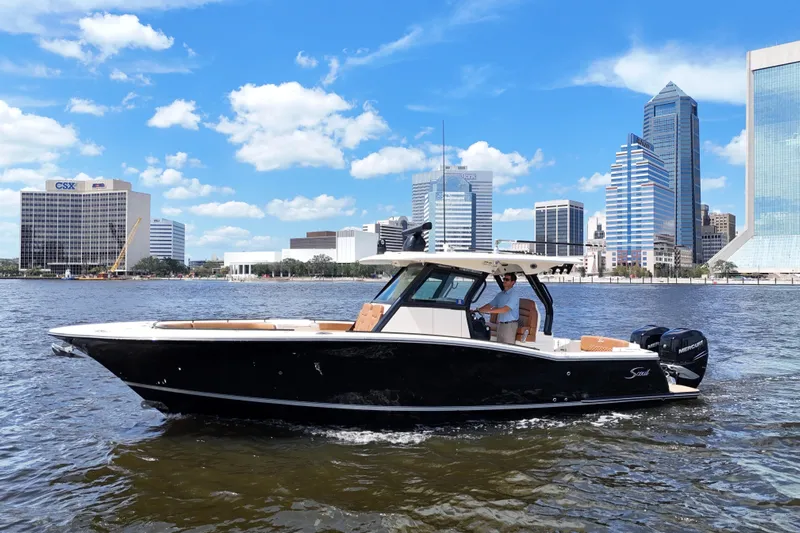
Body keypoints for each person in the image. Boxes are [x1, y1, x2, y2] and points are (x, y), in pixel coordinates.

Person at [473, 273, 519, 344]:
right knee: (500, 347)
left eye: (507, 279)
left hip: (510, 325)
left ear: (513, 282)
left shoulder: (514, 294)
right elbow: (490, 305)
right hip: (500, 324)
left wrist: (489, 311)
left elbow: (505, 309)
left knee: (508, 348)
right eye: (504, 279)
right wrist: (476, 310)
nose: (504, 281)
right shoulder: (500, 294)